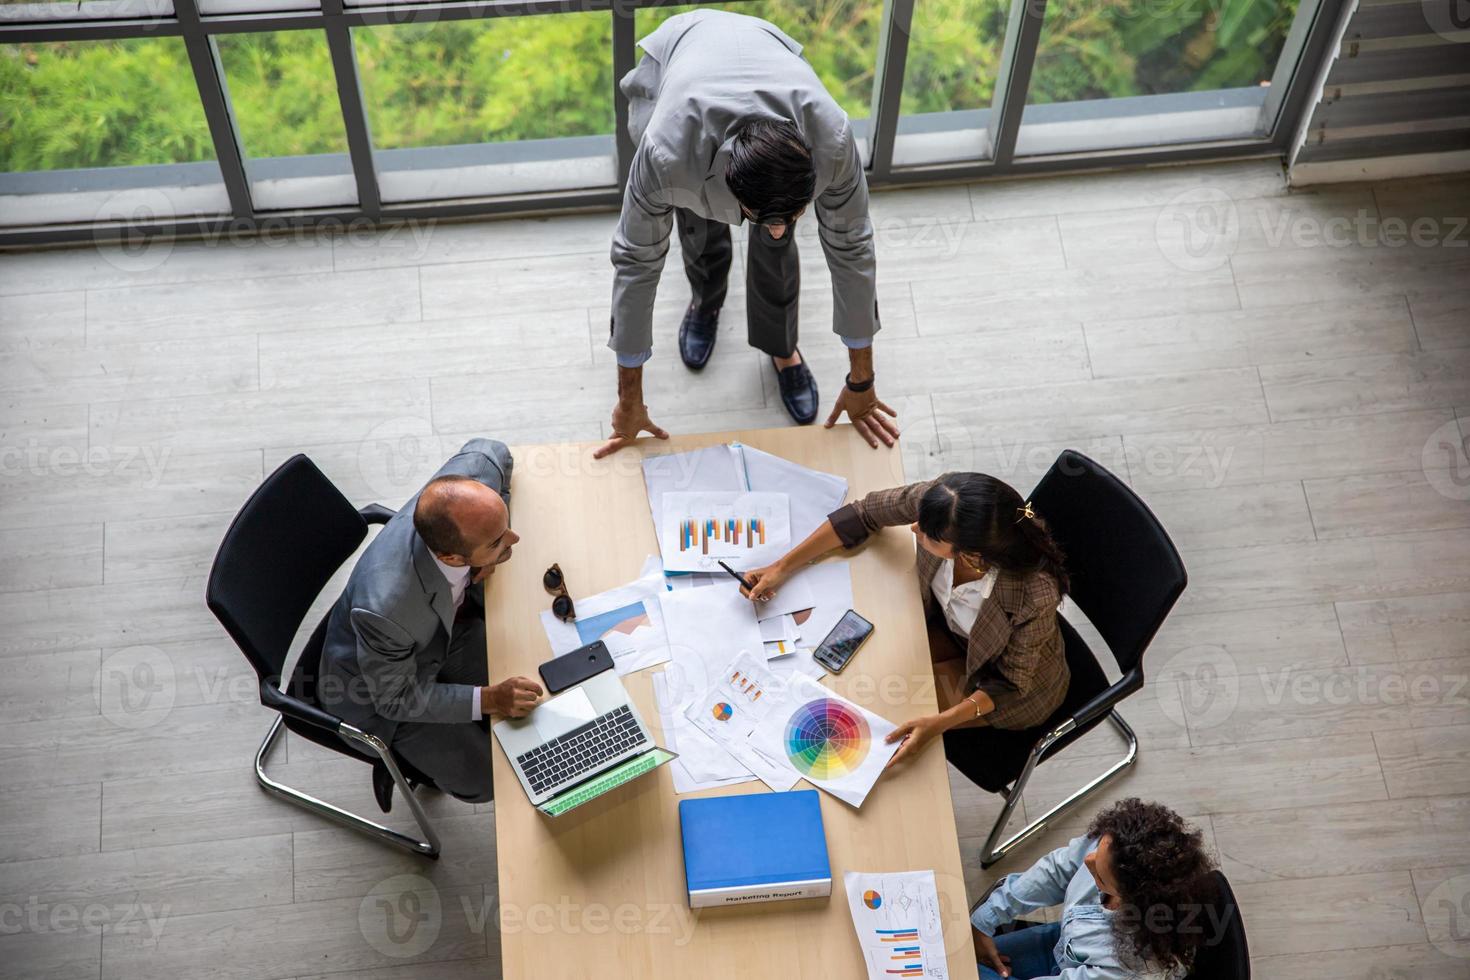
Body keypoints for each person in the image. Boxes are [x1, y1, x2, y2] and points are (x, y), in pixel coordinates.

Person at [596, 9, 900, 455]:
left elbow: (852, 248)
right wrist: (629, 399)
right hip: (679, 63)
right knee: (697, 230)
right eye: (764, 217)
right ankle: (705, 302)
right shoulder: (667, 156)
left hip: (762, 49)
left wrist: (862, 380)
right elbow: (636, 262)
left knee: (776, 250)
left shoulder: (832, 142)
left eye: (792, 215)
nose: (778, 229)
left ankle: (781, 346)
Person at [741, 473, 1070, 765]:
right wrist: (781, 568)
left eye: (928, 535)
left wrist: (939, 723)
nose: (914, 528)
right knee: (852, 679)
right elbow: (865, 512)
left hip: (1003, 687)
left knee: (864, 722)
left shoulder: (1034, 596)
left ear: (973, 554)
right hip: (949, 631)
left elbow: (1009, 686)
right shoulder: (945, 502)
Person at [318, 439, 543, 809]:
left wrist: (487, 554)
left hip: (440, 632)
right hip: (376, 697)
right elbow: (395, 699)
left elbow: (493, 449)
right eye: (497, 541)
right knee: (488, 778)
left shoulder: (472, 481)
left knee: (533, 671)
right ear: (452, 556)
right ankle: (412, 764)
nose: (514, 541)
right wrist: (489, 699)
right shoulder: (388, 610)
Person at [971, 798, 1217, 980]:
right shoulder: (1120, 846)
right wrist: (985, 919)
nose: (1088, 861)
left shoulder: (1133, 968)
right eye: (1099, 849)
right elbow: (1058, 869)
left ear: (1133, 898)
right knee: (960, 955)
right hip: (1064, 944)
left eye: (1098, 874)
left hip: (1091, 969)